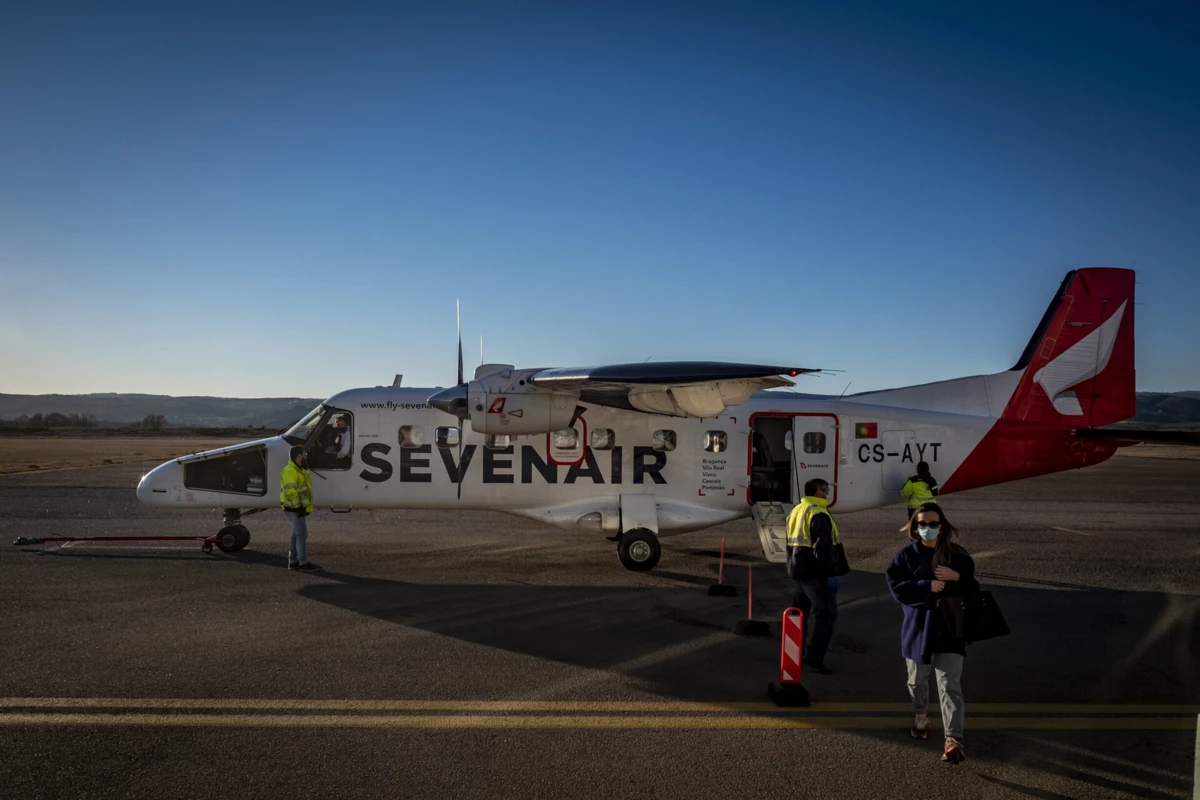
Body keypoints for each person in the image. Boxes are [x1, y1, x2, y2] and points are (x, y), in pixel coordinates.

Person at [885, 502, 977, 764]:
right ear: (914, 527)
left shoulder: (957, 556)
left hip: (950, 630)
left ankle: (953, 739)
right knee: (917, 680)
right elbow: (896, 587)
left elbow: (973, 589)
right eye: (922, 524)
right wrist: (926, 586)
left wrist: (956, 577)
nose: (927, 528)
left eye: (933, 524)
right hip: (918, 629)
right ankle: (921, 714)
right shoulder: (906, 555)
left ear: (942, 526)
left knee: (950, 685)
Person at [785, 478, 851, 675]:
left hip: (799, 571)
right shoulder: (818, 513)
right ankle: (814, 657)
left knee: (799, 614)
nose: (827, 492)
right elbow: (822, 549)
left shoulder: (797, 510)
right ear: (818, 492)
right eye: (825, 490)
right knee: (827, 614)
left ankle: (793, 653)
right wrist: (831, 574)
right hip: (815, 574)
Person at [280, 445, 320, 572]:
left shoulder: (298, 470)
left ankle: (293, 561)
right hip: (294, 509)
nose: (306, 456)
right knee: (302, 535)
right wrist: (298, 507)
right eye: (304, 454)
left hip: (296, 508)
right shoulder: (291, 471)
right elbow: (290, 492)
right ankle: (303, 563)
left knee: (295, 534)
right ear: (299, 456)